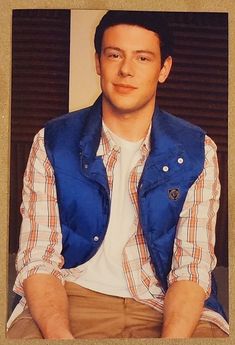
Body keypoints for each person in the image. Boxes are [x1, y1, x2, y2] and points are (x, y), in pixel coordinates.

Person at [7, 10, 229, 339]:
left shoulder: (197, 151)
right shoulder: (53, 142)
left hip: (166, 301)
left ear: (163, 69)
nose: (126, 70)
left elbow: (191, 267)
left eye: (142, 57)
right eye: (115, 55)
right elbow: (38, 259)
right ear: (98, 62)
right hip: (70, 295)